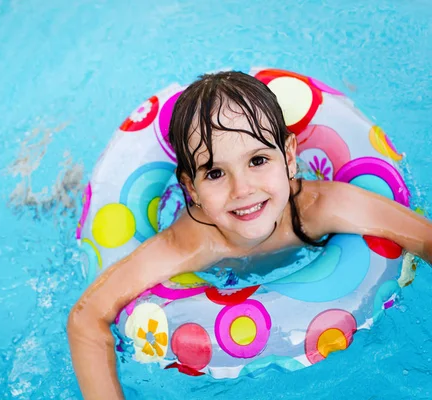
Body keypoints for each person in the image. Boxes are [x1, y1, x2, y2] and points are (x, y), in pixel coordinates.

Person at [67, 71, 432, 399]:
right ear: (189, 188)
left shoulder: (317, 208)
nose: (242, 190)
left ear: (290, 157)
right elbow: (86, 317)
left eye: (258, 161)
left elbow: (424, 237)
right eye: (214, 173)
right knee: (59, 199)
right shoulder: (191, 241)